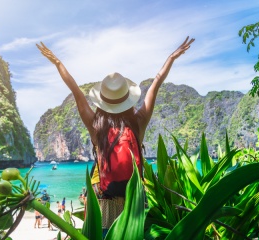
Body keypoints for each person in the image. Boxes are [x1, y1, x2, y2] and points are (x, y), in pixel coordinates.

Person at [36, 36, 195, 233]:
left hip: (105, 201)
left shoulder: (96, 126)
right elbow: (156, 83)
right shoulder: (138, 123)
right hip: (134, 200)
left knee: (104, 234)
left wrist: (57, 62)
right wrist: (171, 57)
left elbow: (75, 90)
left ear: (102, 101)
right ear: (127, 99)